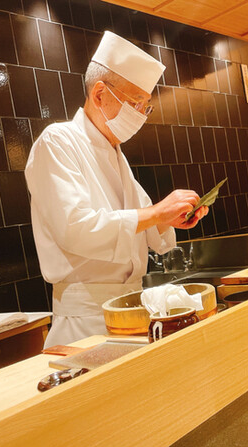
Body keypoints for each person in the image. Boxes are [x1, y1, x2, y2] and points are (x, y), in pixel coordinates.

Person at [25, 31, 209, 347]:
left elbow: (144, 225)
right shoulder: (58, 141)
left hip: (132, 309)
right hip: (86, 319)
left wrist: (169, 218)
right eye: (135, 102)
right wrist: (156, 213)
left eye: (145, 106)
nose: (140, 115)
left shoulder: (115, 152)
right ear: (100, 94)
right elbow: (76, 228)